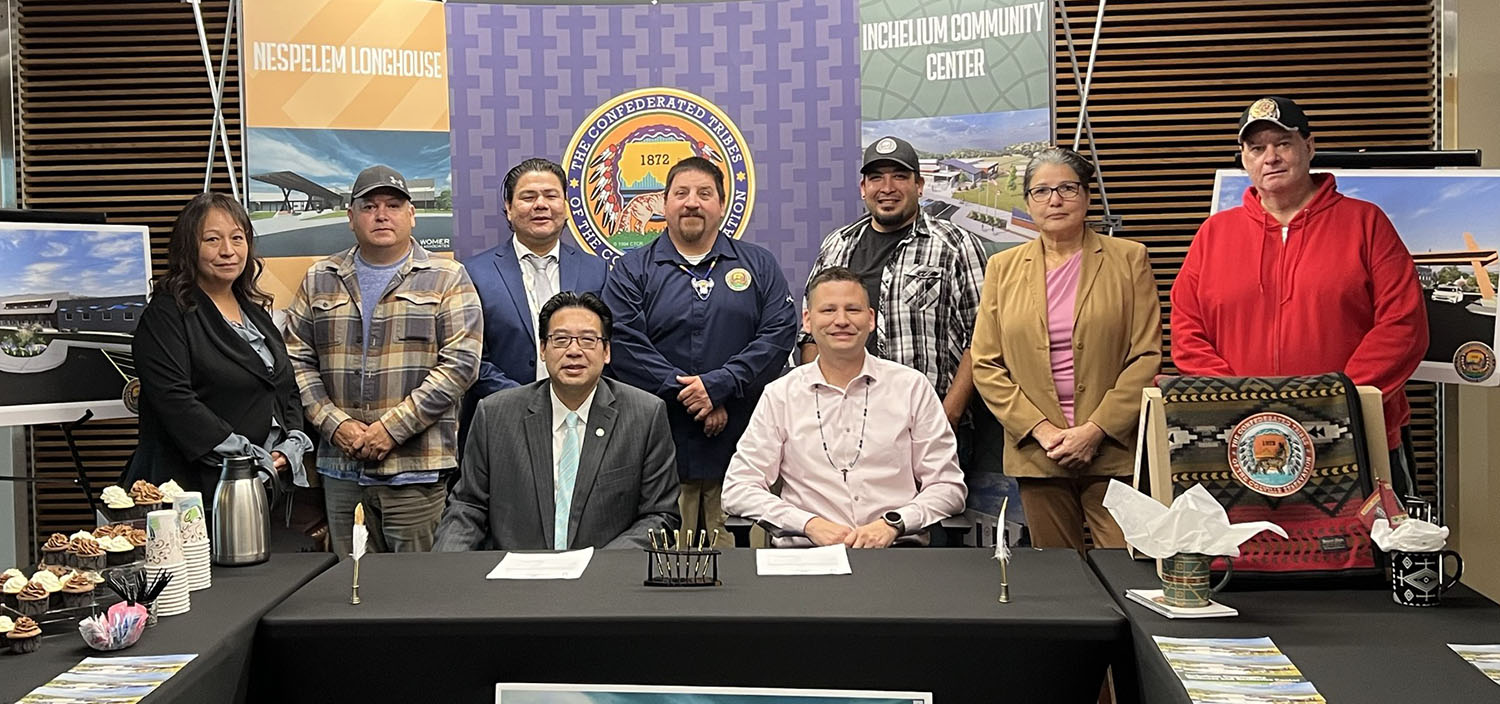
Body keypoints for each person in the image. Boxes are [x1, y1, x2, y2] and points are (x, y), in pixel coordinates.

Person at [1170, 96, 1428, 498]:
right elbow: (1188, 332)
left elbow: (1403, 325)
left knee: (1364, 556)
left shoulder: (1366, 223)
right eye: (1257, 148)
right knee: (1251, 555)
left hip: (1354, 432)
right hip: (1245, 438)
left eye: (1283, 143)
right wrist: (1242, 405)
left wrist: (1333, 401)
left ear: (1309, 147)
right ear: (1244, 159)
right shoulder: (1213, 235)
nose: (1270, 157)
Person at [284, 165, 483, 555]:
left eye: (393, 205)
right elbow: (294, 361)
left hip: (415, 472)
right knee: (351, 590)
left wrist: (391, 429)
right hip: (340, 470)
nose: (381, 214)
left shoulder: (447, 277)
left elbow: (460, 364)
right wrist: (335, 424)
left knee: (417, 596)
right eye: (369, 205)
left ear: (412, 215)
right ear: (350, 218)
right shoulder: (319, 278)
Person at [971, 147, 1162, 552]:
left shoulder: (1129, 260)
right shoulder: (1002, 269)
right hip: (1039, 453)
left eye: (1066, 188)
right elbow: (986, 364)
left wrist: (1094, 431)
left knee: (1131, 567)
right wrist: (1043, 431)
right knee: (1060, 579)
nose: (1054, 200)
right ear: (1028, 204)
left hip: (1113, 448)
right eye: (1041, 191)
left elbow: (1145, 356)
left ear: (1087, 196)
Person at [603, 156, 798, 548]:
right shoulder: (632, 269)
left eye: (704, 193)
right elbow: (623, 342)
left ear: (722, 204)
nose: (692, 202)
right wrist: (691, 393)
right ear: (664, 202)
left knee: (745, 574)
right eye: (681, 193)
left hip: (746, 453)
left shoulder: (759, 264)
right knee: (665, 578)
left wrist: (721, 385)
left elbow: (779, 334)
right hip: (662, 453)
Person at [722, 267, 967, 547]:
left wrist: (895, 523)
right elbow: (738, 488)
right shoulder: (781, 394)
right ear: (808, 321)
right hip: (807, 556)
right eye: (828, 311)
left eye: (853, 309)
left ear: (871, 319)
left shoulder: (911, 387)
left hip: (897, 554)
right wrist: (807, 524)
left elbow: (948, 487)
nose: (841, 320)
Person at [434, 292, 680, 551]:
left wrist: (600, 564)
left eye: (588, 340)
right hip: (516, 579)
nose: (574, 351)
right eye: (560, 340)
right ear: (542, 349)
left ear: (607, 351)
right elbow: (467, 507)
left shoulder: (645, 415)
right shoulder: (495, 414)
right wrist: (446, 568)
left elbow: (660, 515)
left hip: (603, 579)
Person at [126, 193, 313, 502]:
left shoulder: (253, 311)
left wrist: (289, 443)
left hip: (253, 487)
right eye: (212, 240)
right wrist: (243, 453)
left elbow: (284, 386)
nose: (228, 251)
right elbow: (175, 400)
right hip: (189, 493)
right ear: (189, 248)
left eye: (237, 238)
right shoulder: (166, 314)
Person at [800, 136, 987, 430]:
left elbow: (981, 338)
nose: (887, 188)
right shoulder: (838, 245)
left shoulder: (955, 245)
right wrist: (819, 404)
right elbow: (810, 334)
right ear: (864, 189)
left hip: (927, 423)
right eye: (876, 178)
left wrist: (947, 415)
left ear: (919, 185)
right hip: (844, 423)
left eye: (900, 176)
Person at [465, 158, 608, 400]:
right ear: (509, 208)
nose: (540, 205)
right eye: (528, 197)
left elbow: (606, 347)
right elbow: (471, 357)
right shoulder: (473, 273)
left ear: (565, 206)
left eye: (551, 196)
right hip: (502, 415)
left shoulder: (597, 270)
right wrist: (524, 402)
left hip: (581, 414)